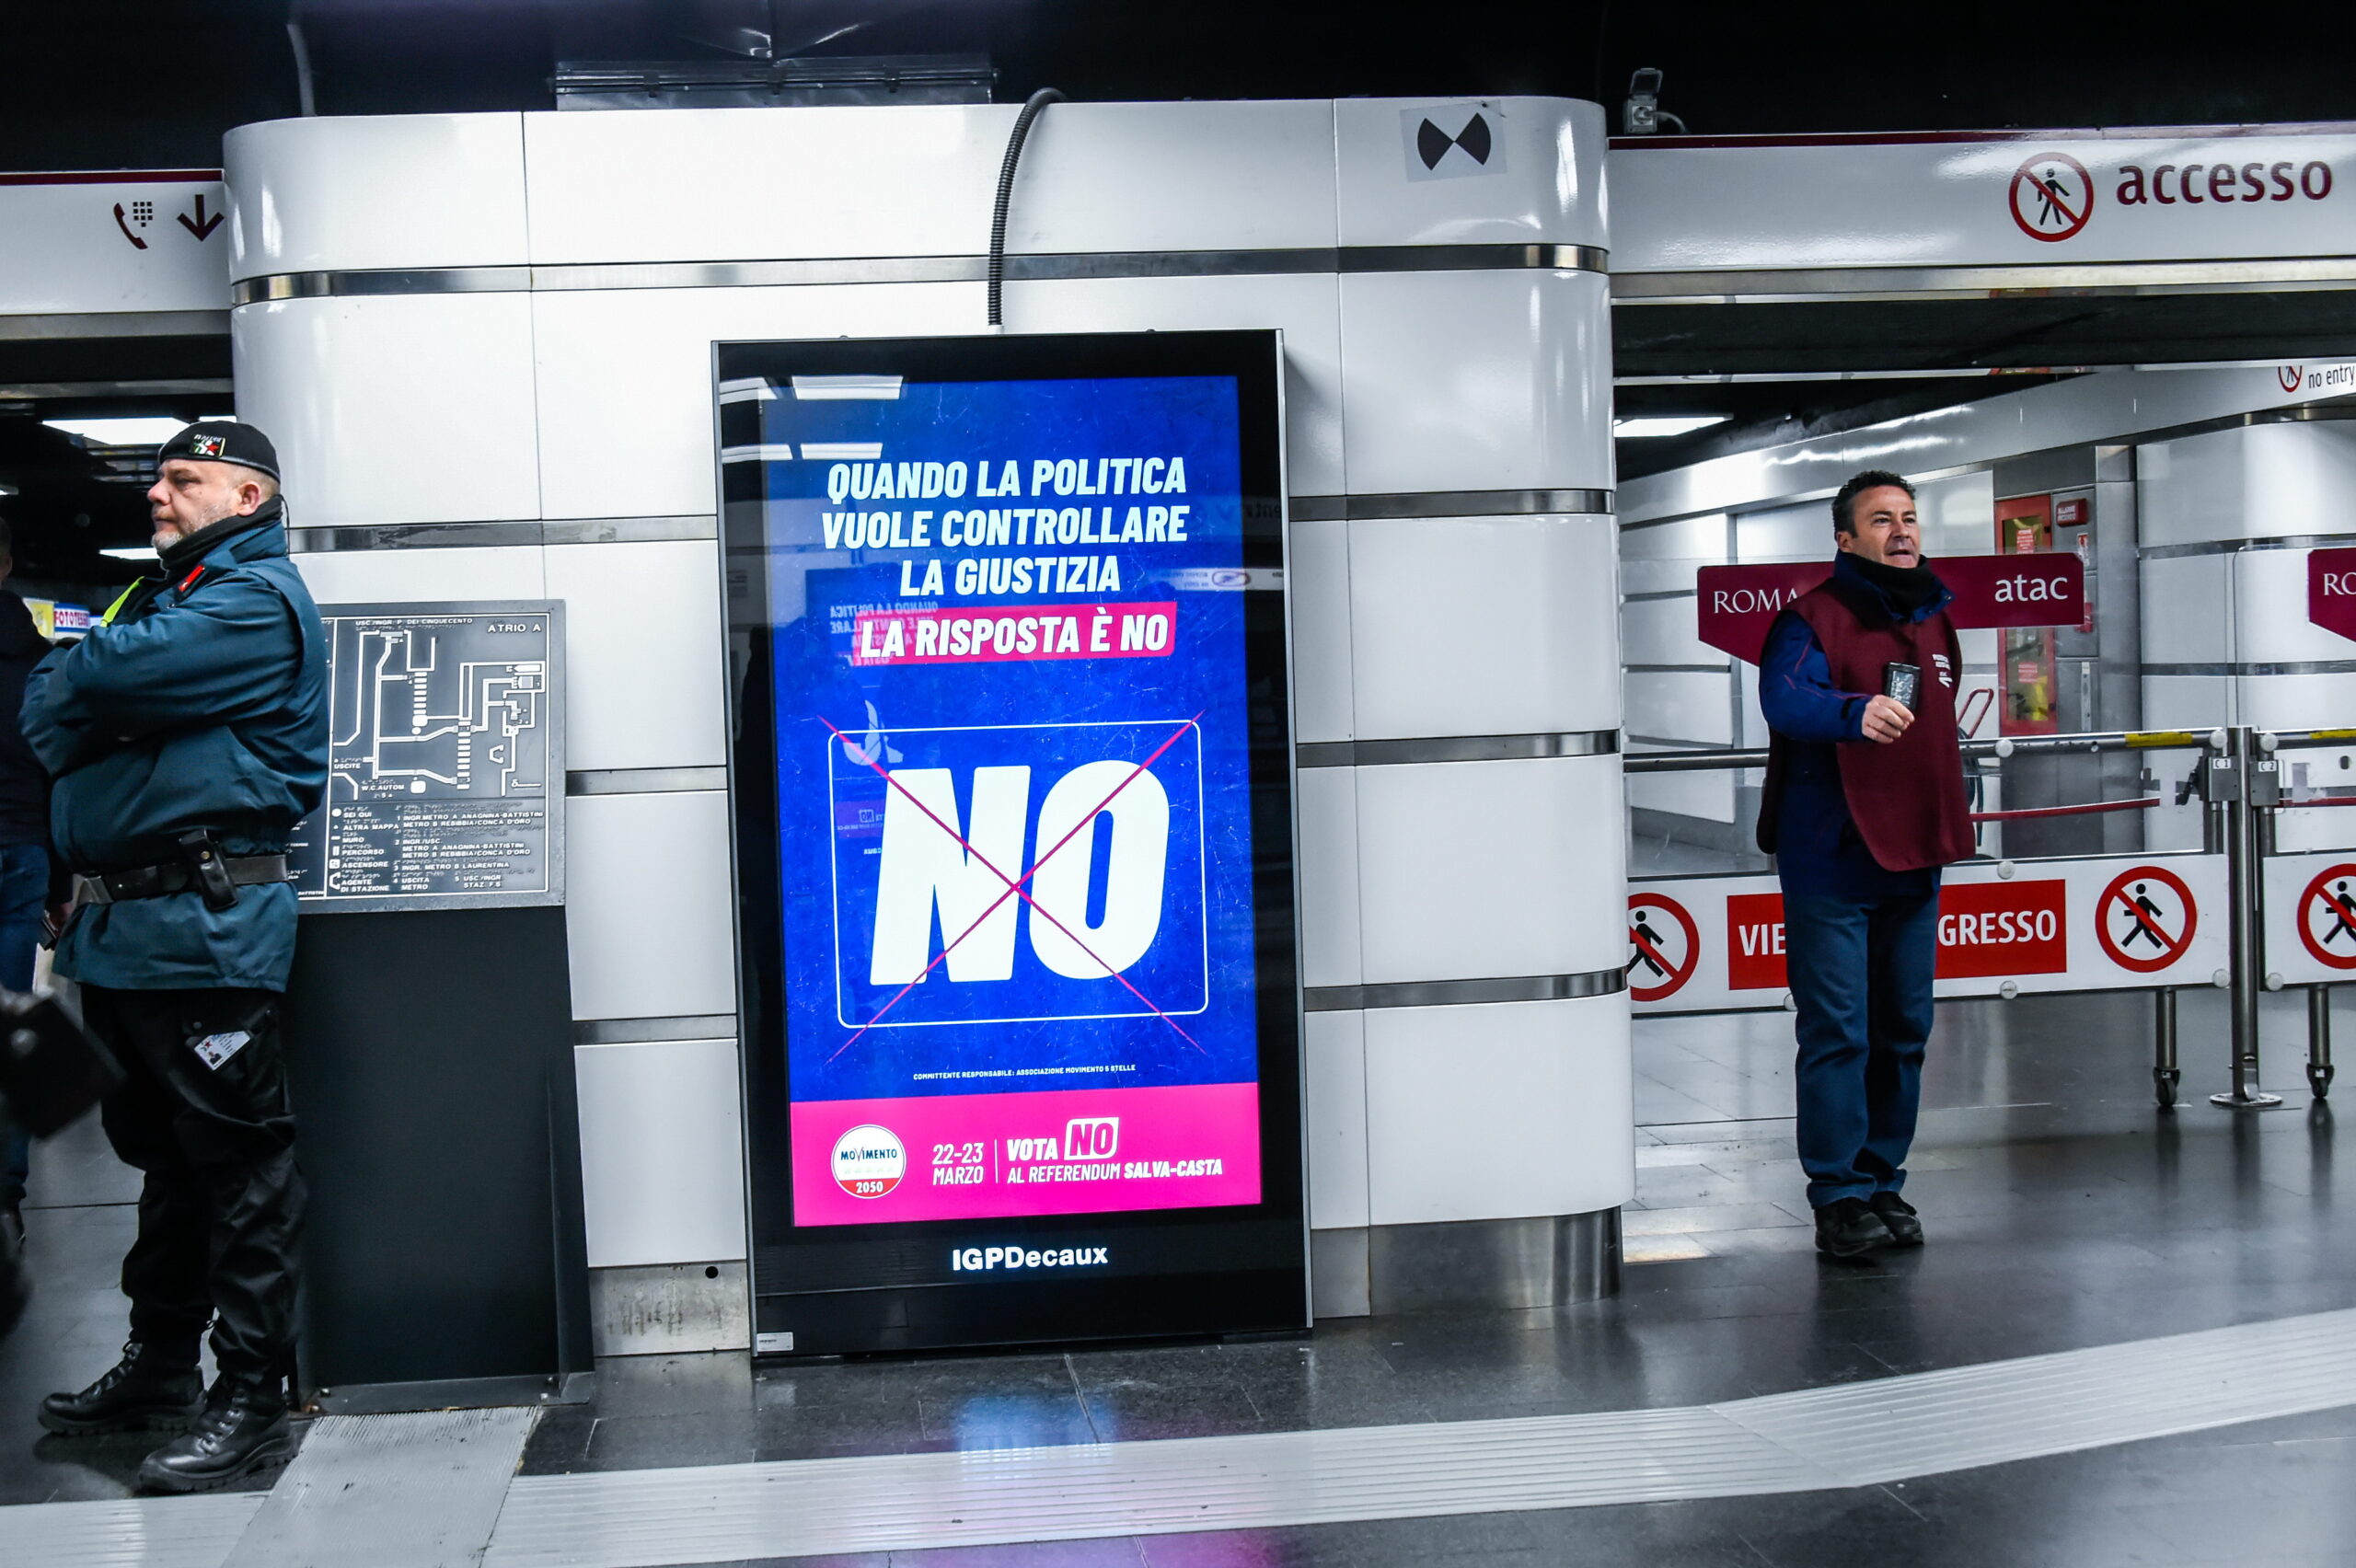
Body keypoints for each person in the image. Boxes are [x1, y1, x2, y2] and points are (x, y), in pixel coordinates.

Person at [25, 421, 327, 1493]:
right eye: (157, 476)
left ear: (248, 498)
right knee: (167, 1168)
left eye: (184, 479)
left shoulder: (252, 601)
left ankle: (252, 1398)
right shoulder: (168, 595)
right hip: (127, 935)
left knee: (239, 1171)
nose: (158, 493)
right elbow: (47, 712)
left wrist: (91, 684)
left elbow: (93, 683)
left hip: (206, 936)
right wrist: (91, 689)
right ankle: (160, 1368)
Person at [1756, 469, 1973, 1260]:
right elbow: (1785, 701)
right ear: (1845, 539)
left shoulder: (1936, 618)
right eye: (1882, 520)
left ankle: (1883, 1179)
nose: (1903, 531)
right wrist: (1853, 711)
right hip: (1833, 861)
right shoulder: (1811, 619)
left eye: (1910, 517)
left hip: (1914, 856)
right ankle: (1838, 1194)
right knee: (1839, 1032)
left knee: (1904, 1030)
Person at [0, 519, 55, 1275]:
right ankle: (4, 1200)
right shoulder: (43, 665)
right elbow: (57, 768)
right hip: (20, 852)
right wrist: (66, 881)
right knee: (7, 1022)